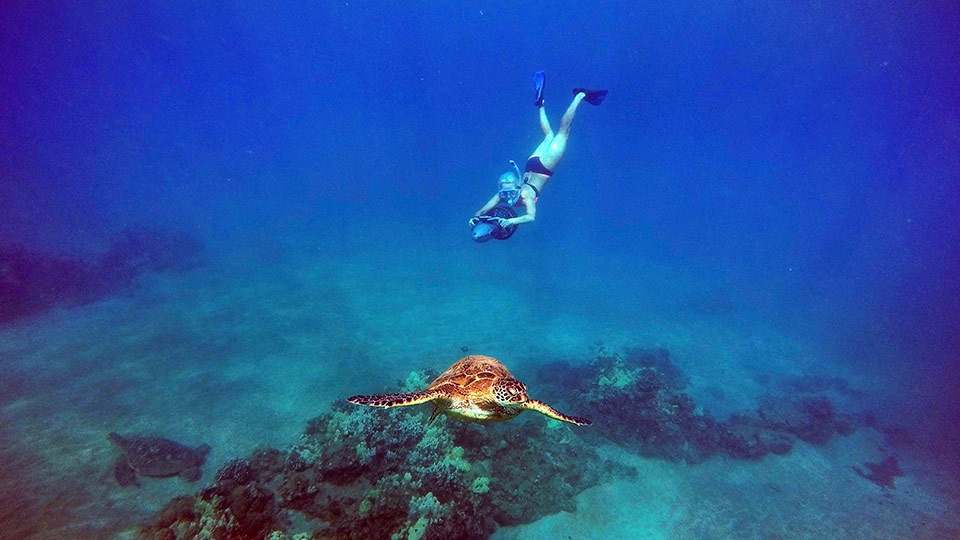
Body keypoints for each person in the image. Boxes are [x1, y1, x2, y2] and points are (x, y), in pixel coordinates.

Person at [470, 71, 607, 230]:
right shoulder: (502, 194)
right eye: (505, 193)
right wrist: (475, 218)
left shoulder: (525, 196)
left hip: (544, 167)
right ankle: (540, 103)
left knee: (563, 132)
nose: (508, 197)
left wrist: (511, 222)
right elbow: (484, 209)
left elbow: (531, 217)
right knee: (549, 135)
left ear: (518, 186)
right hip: (532, 164)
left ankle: (580, 96)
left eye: (510, 192)